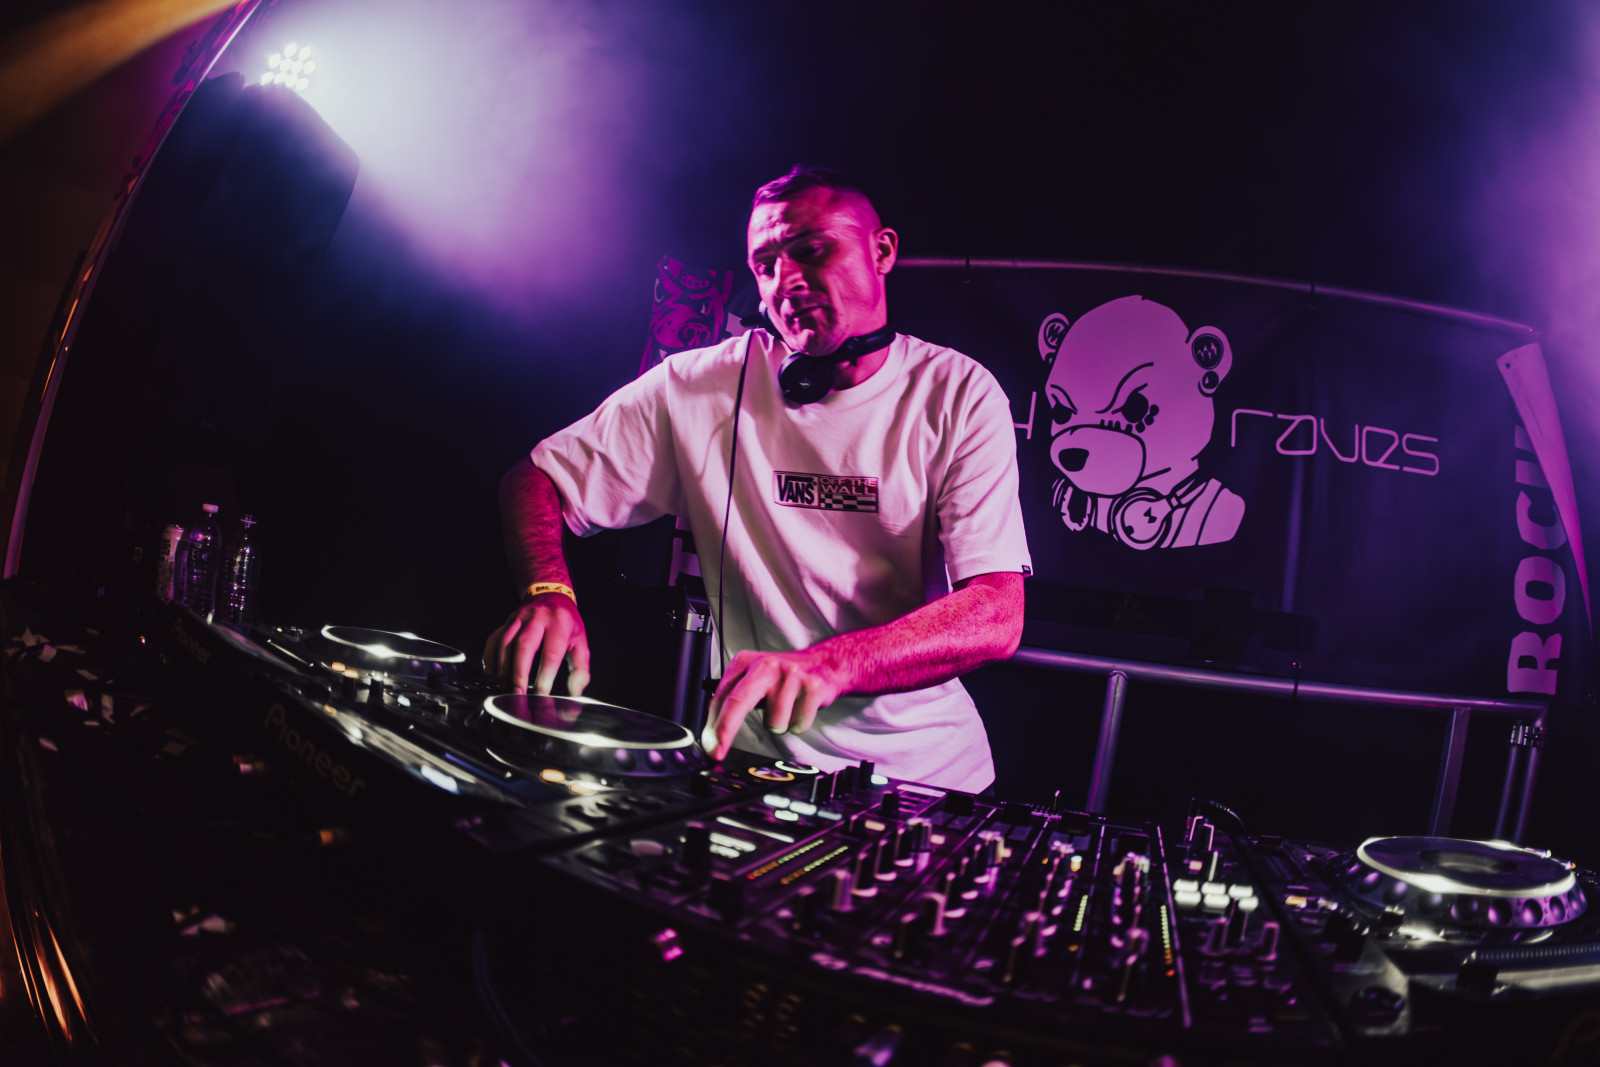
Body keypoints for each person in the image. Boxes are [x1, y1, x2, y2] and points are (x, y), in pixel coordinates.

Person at [483, 166, 1031, 792]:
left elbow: (996, 614)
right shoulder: (700, 387)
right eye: (765, 265)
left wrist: (828, 666)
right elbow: (537, 478)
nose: (785, 281)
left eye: (812, 250)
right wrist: (548, 590)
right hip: (755, 770)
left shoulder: (959, 394)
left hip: (925, 780)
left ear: (882, 252)